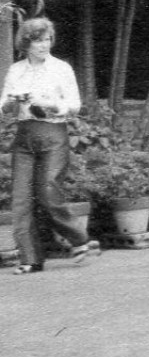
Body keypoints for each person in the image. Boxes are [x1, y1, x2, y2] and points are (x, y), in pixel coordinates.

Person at [0, 17, 90, 274]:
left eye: (47, 39)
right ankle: (30, 259)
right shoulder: (16, 70)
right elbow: (3, 105)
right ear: (26, 44)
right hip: (25, 134)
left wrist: (50, 104)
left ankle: (79, 238)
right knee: (20, 199)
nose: (43, 45)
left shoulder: (61, 68)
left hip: (53, 131)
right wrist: (12, 101)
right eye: (37, 41)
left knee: (49, 192)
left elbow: (74, 104)